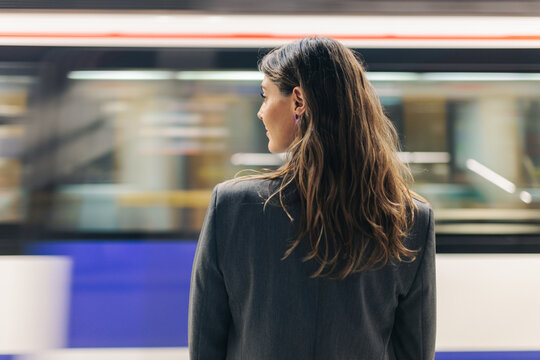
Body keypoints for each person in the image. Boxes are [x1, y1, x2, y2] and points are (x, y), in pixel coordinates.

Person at [188, 36, 436, 360]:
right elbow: (414, 351)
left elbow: (207, 346)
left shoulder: (232, 207)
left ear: (298, 101)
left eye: (265, 96)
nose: (261, 113)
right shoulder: (409, 219)